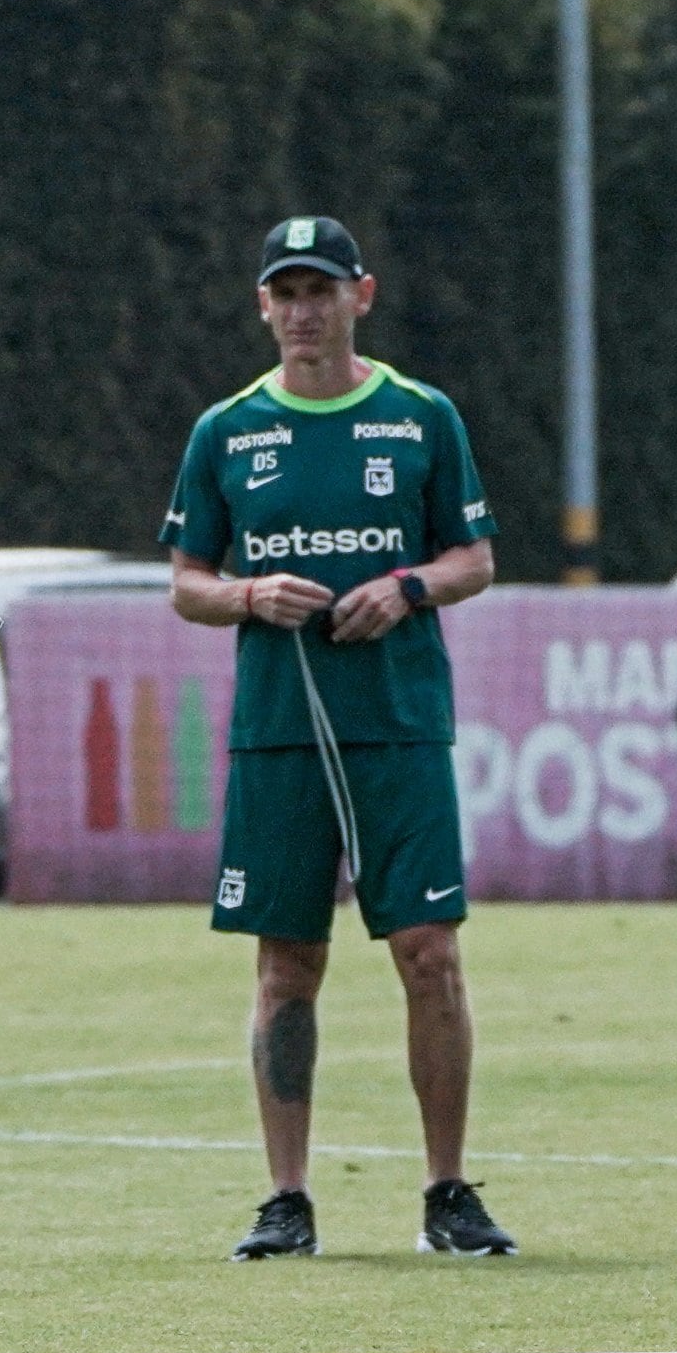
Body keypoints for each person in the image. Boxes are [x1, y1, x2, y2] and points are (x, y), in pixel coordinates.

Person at [160, 216, 511, 1264]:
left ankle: (446, 1190)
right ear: (263, 306)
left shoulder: (418, 416)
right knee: (287, 967)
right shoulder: (225, 431)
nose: (304, 310)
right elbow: (185, 585)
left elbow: (474, 559)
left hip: (398, 726)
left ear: (362, 295)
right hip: (278, 737)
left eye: (322, 290)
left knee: (429, 955)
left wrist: (405, 588)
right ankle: (286, 1198)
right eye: (286, 292)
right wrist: (248, 593)